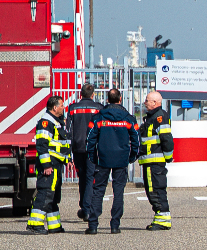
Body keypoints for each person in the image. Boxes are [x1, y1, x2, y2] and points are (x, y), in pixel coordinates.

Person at [85, 89, 138, 234]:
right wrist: (132, 156)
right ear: (120, 99)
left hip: (102, 158)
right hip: (121, 159)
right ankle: (115, 225)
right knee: (118, 191)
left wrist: (92, 156)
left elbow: (90, 139)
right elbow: (136, 139)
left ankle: (93, 225)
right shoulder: (128, 118)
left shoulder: (98, 117)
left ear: (107, 99)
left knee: (98, 191)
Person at [27, 96, 70, 234]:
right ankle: (35, 224)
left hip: (56, 164)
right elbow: (42, 145)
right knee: (45, 193)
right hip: (49, 165)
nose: (64, 108)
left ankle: (54, 225)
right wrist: (46, 165)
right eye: (62, 105)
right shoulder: (46, 122)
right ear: (55, 107)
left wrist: (67, 159)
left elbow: (61, 145)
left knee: (53, 195)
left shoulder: (57, 122)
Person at [137, 90, 174, 230]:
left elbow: (167, 139)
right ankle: (161, 218)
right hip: (150, 161)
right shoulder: (153, 117)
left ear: (155, 102)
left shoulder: (159, 117)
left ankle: (163, 220)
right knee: (152, 189)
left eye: (147, 100)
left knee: (156, 190)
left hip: (154, 162)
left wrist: (168, 156)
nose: (145, 103)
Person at [67, 83, 103, 221]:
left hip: (77, 148)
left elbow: (69, 131)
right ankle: (87, 209)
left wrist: (68, 151)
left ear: (80, 94)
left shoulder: (72, 108)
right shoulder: (98, 108)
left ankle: (83, 206)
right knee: (89, 178)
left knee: (82, 177)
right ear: (92, 95)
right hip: (92, 148)